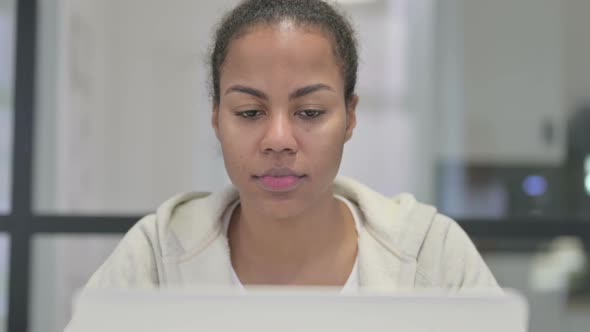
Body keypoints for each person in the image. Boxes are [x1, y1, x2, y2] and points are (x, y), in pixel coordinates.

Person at [80, 0, 498, 292]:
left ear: (350, 117)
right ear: (215, 119)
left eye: (310, 112)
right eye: (249, 113)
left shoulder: (432, 255)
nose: (278, 140)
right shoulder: (157, 257)